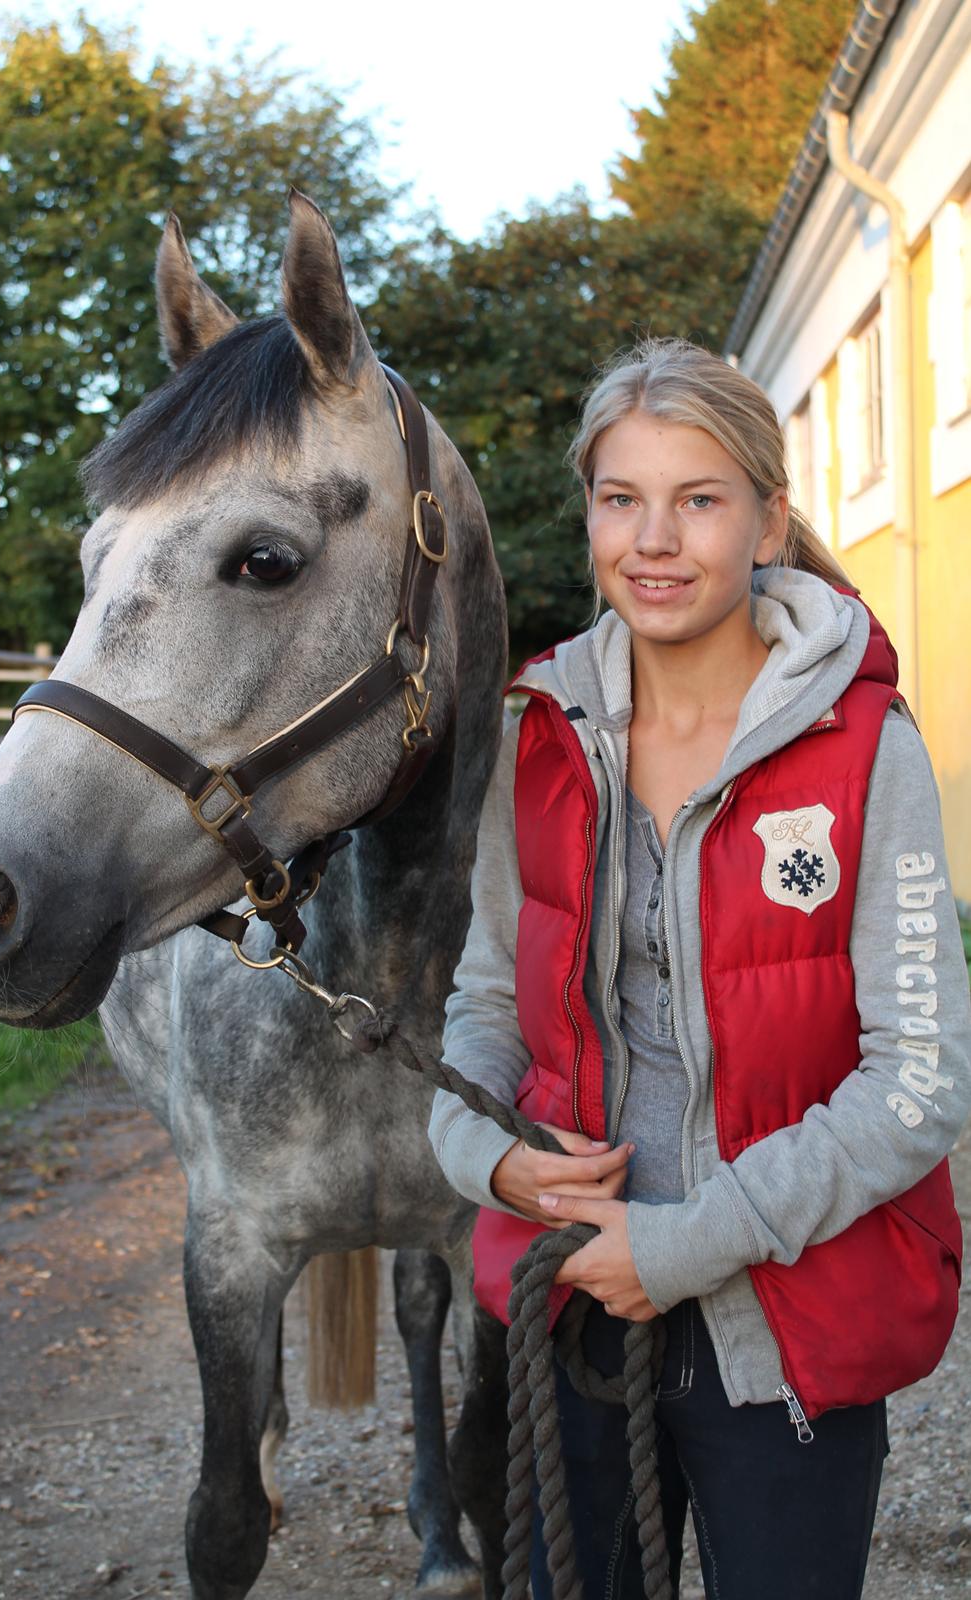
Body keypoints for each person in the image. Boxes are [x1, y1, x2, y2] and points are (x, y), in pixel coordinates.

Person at [429, 338, 970, 1599]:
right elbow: (482, 1007)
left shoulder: (863, 748)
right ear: (588, 516)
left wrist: (682, 1244)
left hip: (783, 1326)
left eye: (699, 498)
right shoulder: (539, 738)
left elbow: (919, 1079)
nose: (653, 539)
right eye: (620, 498)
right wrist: (489, 1156)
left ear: (768, 520)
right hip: (570, 1319)